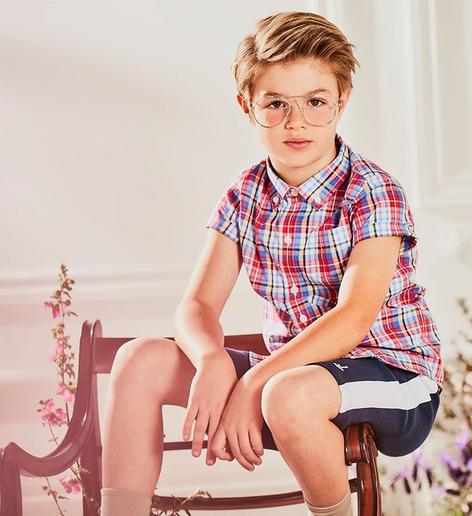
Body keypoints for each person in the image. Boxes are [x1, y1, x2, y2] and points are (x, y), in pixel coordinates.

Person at [100, 11, 444, 516]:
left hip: (393, 374)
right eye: (276, 103)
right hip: (291, 375)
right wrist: (212, 360)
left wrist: (253, 383)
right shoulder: (245, 193)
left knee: (286, 393)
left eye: (315, 102)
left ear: (342, 101)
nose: (295, 121)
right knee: (138, 360)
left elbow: (353, 319)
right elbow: (197, 305)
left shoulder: (372, 191)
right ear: (248, 105)